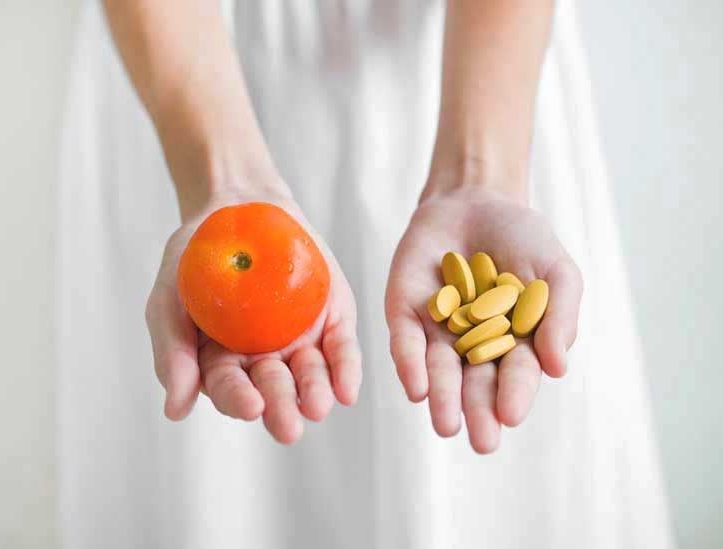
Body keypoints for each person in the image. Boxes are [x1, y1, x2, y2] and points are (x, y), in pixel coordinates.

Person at [58, 1, 674, 547]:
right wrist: (222, 181)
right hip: (188, 71)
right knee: (220, 499)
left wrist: (479, 172)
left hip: (484, 74)